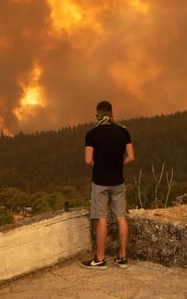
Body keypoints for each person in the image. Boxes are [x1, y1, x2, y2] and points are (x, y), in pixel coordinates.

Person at [81, 100, 135, 270]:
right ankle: (122, 257)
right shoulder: (123, 132)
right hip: (118, 181)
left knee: (101, 219)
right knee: (121, 217)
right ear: (112, 114)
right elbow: (131, 157)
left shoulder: (92, 134)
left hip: (100, 182)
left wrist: (97, 166)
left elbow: (88, 160)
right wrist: (119, 165)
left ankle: (100, 258)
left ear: (98, 114)